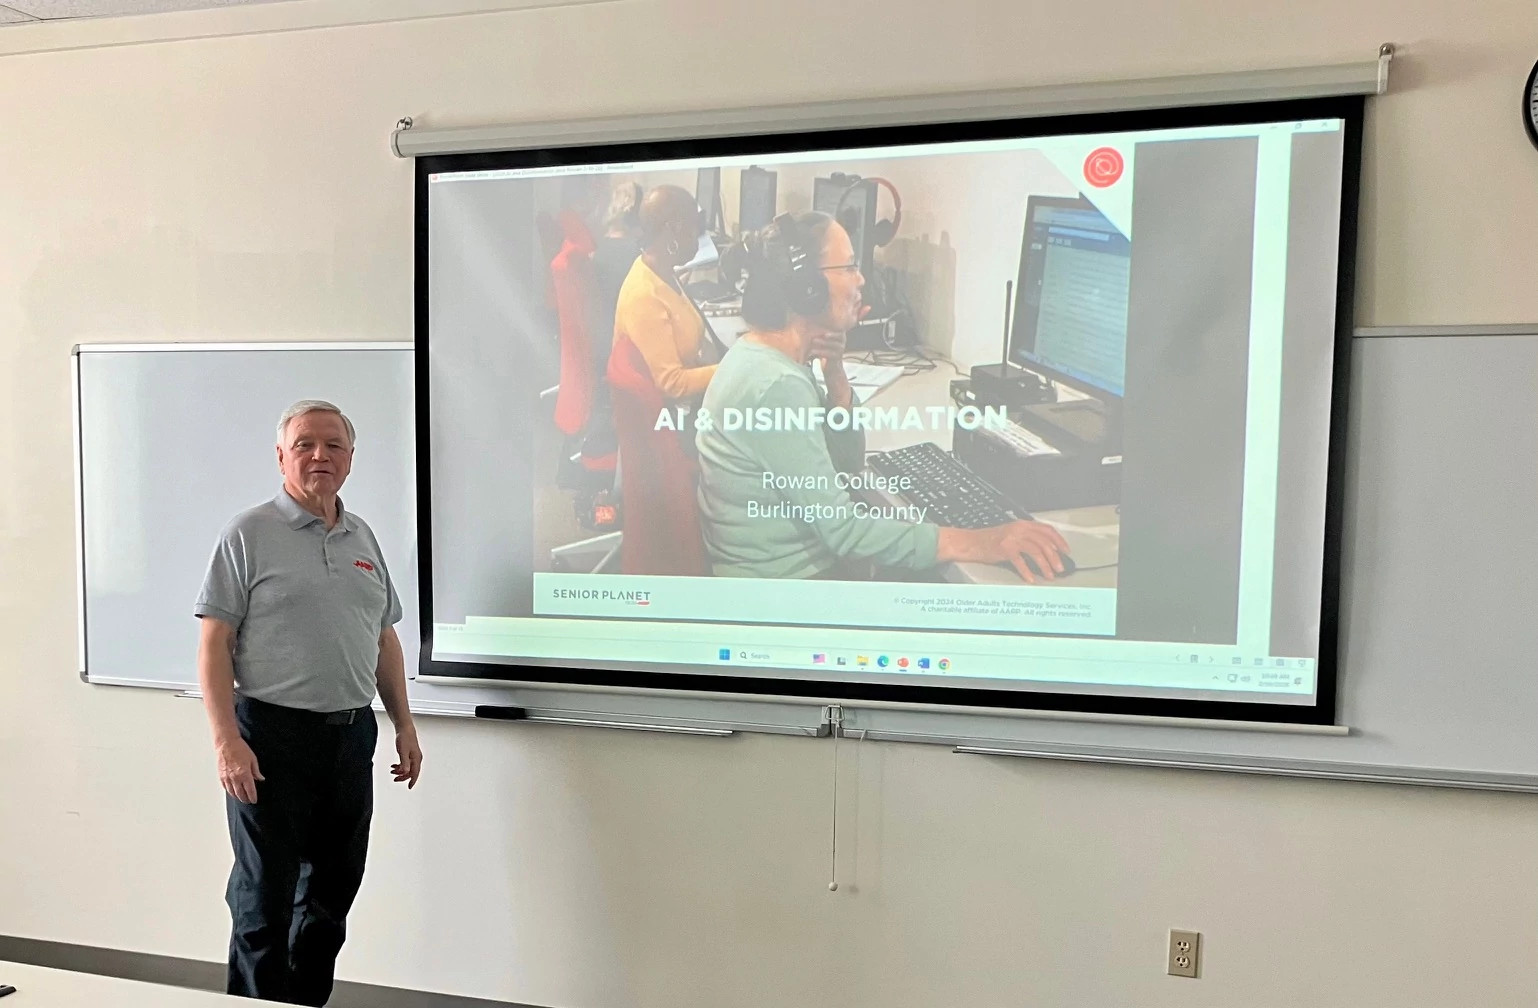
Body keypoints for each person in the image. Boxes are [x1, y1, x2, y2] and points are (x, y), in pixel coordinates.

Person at [695, 212, 1071, 583]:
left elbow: (845, 467)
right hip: (789, 589)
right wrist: (982, 541)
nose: (861, 280)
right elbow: (845, 531)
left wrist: (836, 378)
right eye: (848, 267)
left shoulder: (774, 359)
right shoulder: (775, 384)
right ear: (807, 288)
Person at [194, 400, 422, 1006]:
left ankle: (303, 1004)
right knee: (264, 899)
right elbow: (214, 642)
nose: (319, 455)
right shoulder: (247, 533)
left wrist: (404, 723)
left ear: (350, 458)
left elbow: (383, 635)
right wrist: (226, 742)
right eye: (304, 445)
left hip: (350, 739)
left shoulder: (362, 535)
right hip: (269, 739)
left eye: (333, 445)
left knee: (331, 895)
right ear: (281, 456)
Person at [612, 184, 718, 406]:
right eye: (694, 229)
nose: (698, 239)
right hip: (672, 417)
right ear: (675, 230)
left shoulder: (662, 272)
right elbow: (672, 384)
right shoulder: (644, 296)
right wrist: (732, 369)